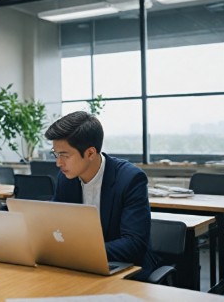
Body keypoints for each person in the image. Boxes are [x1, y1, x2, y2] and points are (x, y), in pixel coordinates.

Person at [45, 111, 156, 280]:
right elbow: (54, 223)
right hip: (79, 268)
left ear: (90, 153)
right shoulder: (66, 178)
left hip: (126, 270)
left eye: (64, 155)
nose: (58, 163)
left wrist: (80, 252)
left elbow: (134, 244)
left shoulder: (130, 179)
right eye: (56, 154)